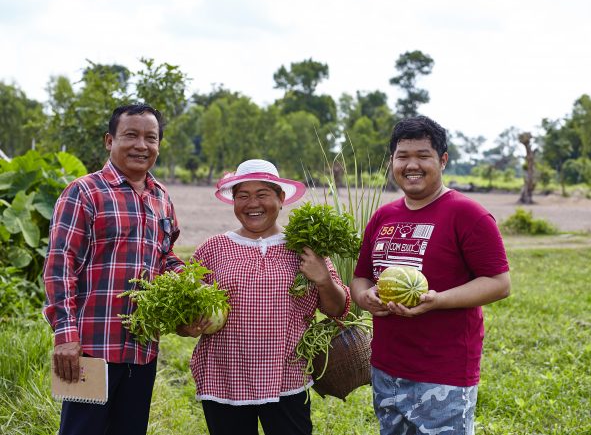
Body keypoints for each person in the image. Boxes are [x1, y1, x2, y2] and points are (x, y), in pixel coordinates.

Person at [351, 116, 511, 435]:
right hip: (386, 367)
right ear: (392, 161)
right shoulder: (384, 216)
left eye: (423, 156)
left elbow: (499, 283)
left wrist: (437, 300)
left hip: (443, 372)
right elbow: (361, 278)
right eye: (403, 156)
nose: (412, 165)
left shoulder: (468, 214)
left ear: (442, 160)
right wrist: (364, 297)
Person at [177, 159, 350, 435]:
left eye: (262, 194)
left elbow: (337, 309)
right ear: (233, 202)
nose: (252, 203)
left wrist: (323, 278)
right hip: (225, 377)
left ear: (281, 198)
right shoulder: (213, 249)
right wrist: (186, 327)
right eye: (242, 196)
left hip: (287, 378)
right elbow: (182, 317)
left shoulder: (305, 248)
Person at [43, 103, 185, 435]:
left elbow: (166, 259)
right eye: (130, 135)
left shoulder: (161, 197)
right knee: (81, 431)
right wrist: (65, 336)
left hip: (142, 349)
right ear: (110, 140)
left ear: (159, 145)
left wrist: (191, 286)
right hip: (91, 349)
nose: (141, 145)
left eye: (151, 137)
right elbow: (60, 266)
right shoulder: (83, 193)